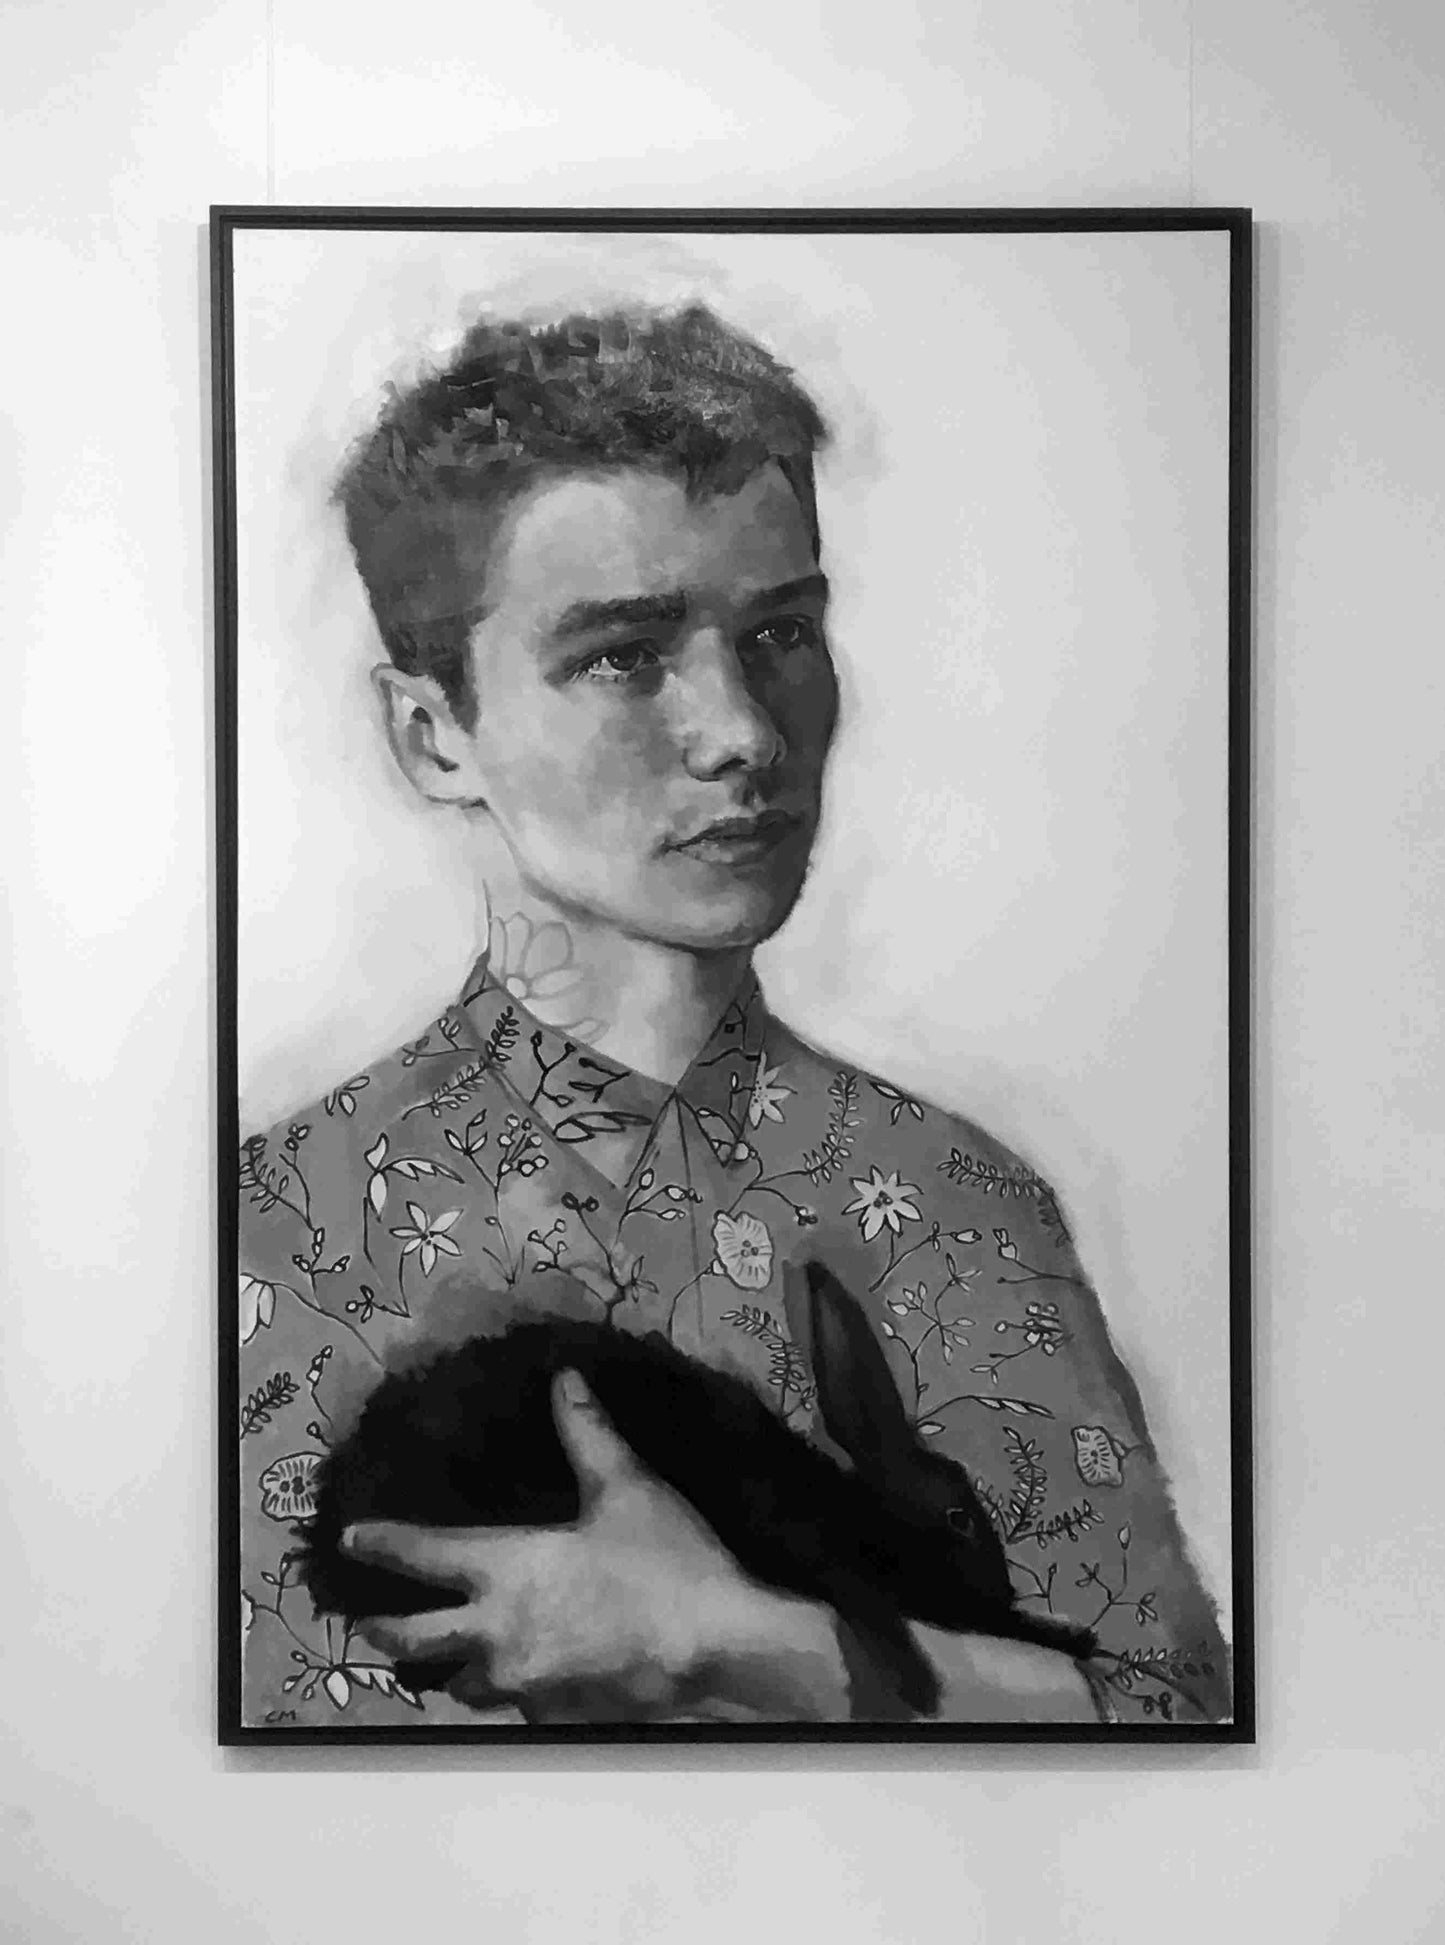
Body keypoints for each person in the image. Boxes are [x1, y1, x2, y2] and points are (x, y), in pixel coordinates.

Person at [236, 304, 1229, 1728]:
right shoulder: (279, 1228)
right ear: (433, 734)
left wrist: (747, 1647)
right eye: (622, 656)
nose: (745, 732)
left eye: (780, 634)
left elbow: (1171, 1713)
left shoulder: (948, 1199)